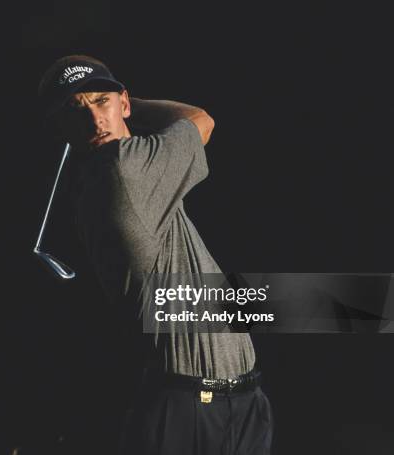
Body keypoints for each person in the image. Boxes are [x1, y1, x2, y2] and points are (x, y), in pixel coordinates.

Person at [37, 55, 273, 455]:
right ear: (60, 128)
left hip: (241, 400)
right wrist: (131, 104)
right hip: (188, 409)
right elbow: (202, 120)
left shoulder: (127, 178)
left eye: (101, 102)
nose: (95, 121)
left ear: (120, 103)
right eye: (75, 110)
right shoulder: (122, 170)